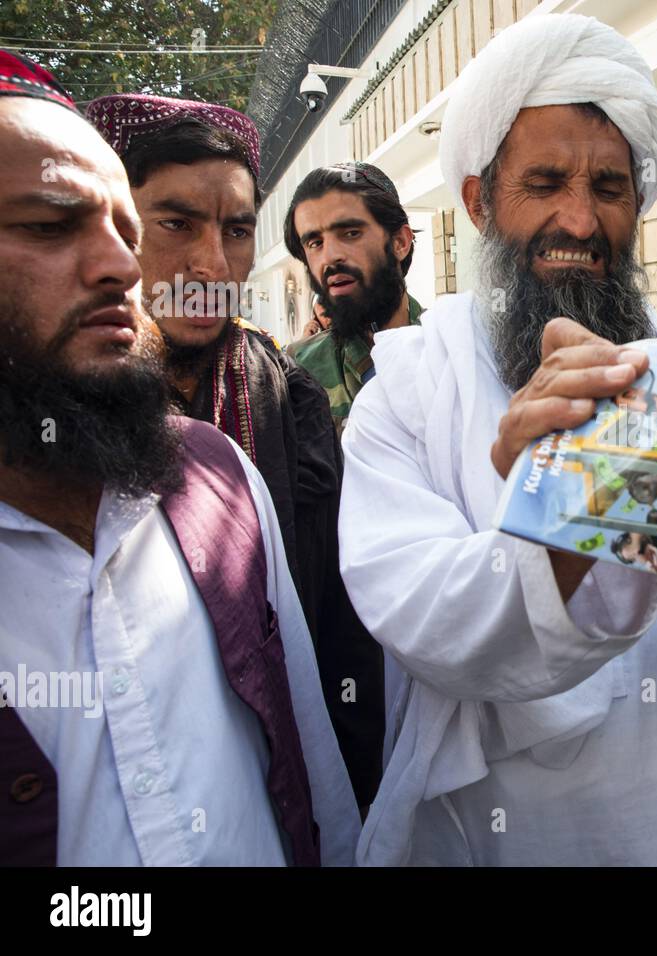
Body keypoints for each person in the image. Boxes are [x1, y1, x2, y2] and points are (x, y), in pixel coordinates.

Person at [340, 14, 657, 866]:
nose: (580, 219)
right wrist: (561, 491)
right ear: (478, 201)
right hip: (501, 828)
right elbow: (419, 617)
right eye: (545, 182)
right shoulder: (411, 388)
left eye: (608, 187)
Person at [0, 51, 358, 865]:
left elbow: (318, 685)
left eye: (236, 231)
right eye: (53, 227)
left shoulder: (250, 438)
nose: (204, 266)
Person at [84, 93, 383, 812]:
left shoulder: (287, 397)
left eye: (238, 229)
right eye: (177, 223)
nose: (212, 263)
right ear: (112, 226)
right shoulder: (54, 405)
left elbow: (340, 639)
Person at [282, 162, 422, 436]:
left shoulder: (455, 348)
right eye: (314, 243)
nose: (331, 256)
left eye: (350, 233)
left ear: (400, 243)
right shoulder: (294, 372)